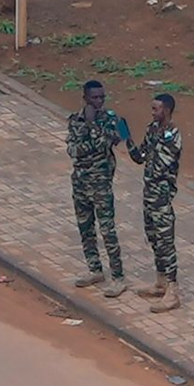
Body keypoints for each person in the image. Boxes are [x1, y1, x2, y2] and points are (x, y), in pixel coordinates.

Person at [66, 79, 127, 297]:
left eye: (102, 97)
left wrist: (92, 127)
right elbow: (72, 150)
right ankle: (95, 269)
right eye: (95, 97)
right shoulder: (75, 120)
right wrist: (95, 138)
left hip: (101, 183)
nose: (99, 101)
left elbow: (116, 139)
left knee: (108, 230)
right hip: (80, 182)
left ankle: (118, 277)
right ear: (85, 98)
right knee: (85, 227)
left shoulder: (112, 119)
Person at [127, 93, 183, 313]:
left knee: (166, 242)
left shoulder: (173, 136)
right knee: (153, 238)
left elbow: (161, 165)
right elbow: (141, 157)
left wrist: (151, 151)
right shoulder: (152, 129)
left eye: (156, 109)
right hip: (149, 194)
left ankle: (173, 291)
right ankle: (161, 283)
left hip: (161, 196)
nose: (152, 113)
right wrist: (127, 139)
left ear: (166, 110)